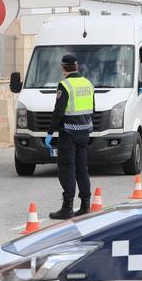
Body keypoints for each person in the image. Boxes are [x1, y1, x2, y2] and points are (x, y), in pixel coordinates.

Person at [46, 54, 94, 220]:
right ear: (77, 66)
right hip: (84, 132)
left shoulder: (65, 85)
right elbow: (92, 108)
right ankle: (86, 204)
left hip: (69, 133)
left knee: (67, 168)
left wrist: (50, 132)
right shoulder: (88, 83)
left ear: (63, 67)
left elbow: (58, 111)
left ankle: (67, 207)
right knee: (82, 168)